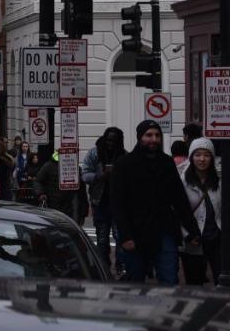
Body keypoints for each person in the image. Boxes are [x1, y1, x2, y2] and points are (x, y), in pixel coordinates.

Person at [111, 120, 200, 285]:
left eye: (157, 135)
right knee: (135, 282)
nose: (154, 139)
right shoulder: (124, 164)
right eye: (149, 135)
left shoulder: (166, 163)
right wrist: (125, 235)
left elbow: (179, 198)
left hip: (164, 230)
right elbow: (118, 204)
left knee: (169, 279)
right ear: (140, 138)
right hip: (136, 231)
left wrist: (192, 229)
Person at [177, 137, 222, 285]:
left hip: (216, 239)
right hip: (192, 241)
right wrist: (187, 235)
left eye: (206, 155)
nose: (202, 159)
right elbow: (175, 212)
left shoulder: (220, 180)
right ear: (191, 157)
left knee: (222, 281)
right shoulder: (182, 181)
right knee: (194, 284)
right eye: (197, 155)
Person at [80, 127, 125, 274]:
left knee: (120, 237)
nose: (111, 144)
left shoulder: (123, 155)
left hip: (118, 202)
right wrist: (100, 176)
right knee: (102, 238)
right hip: (100, 202)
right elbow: (84, 175)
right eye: (109, 140)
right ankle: (104, 266)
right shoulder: (94, 153)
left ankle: (120, 265)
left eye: (114, 141)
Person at [35, 148, 75, 217]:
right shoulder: (48, 166)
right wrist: (41, 193)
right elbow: (38, 181)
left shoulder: (72, 166)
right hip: (53, 201)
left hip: (66, 202)